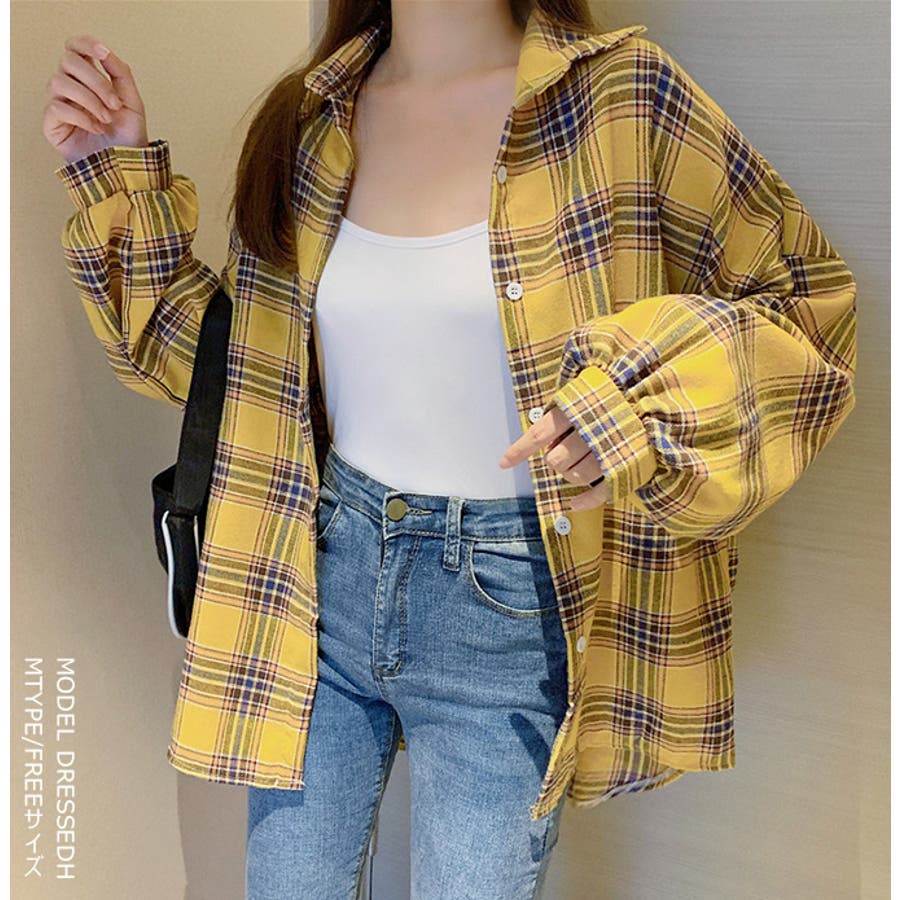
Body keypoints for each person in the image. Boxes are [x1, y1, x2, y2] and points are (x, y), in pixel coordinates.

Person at [44, 1, 858, 898]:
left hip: (506, 609)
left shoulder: (622, 100)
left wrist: (632, 406)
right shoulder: (313, 120)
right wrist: (111, 170)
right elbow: (236, 375)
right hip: (318, 582)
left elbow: (805, 310)